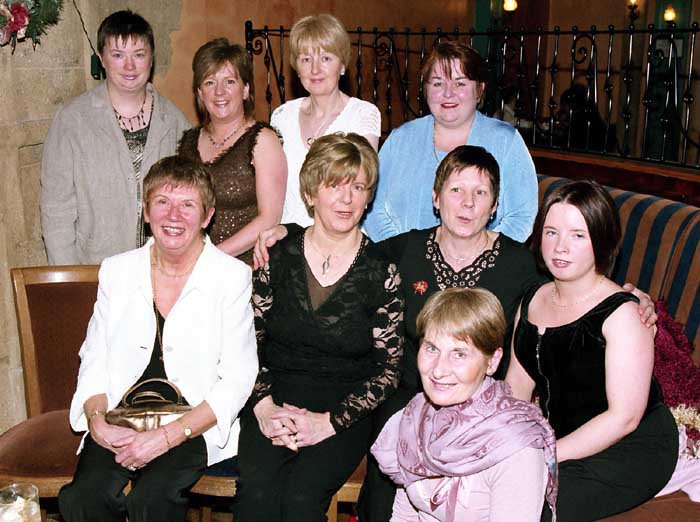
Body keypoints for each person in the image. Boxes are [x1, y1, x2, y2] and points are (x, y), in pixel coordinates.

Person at [253, 146, 659, 522]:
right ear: (435, 197)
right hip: (410, 393)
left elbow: (579, 283)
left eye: (480, 193)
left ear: (495, 206)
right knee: (390, 439)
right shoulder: (401, 252)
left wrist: (632, 294)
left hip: (483, 402)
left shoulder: (523, 267)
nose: (467, 203)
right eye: (456, 189)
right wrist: (286, 231)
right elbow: (345, 246)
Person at [58, 156, 258, 522]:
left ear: (208, 215)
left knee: (151, 501)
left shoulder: (231, 278)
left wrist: (169, 436)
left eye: (187, 204)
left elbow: (238, 379)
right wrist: (97, 421)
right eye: (162, 202)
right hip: (119, 417)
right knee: (83, 499)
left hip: (192, 422)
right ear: (147, 211)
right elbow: (94, 357)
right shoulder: (117, 271)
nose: (174, 215)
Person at [233, 133, 404, 522]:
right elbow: (247, 343)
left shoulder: (382, 270)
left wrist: (328, 423)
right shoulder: (277, 254)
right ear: (311, 193)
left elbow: (389, 370)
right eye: (334, 185)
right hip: (271, 398)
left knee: (300, 502)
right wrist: (262, 408)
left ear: (368, 197)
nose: (346, 199)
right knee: (256, 498)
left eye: (358, 187)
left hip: (344, 409)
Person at [506, 180, 679, 521]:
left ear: (601, 241)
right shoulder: (532, 300)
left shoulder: (623, 314)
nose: (561, 247)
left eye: (578, 235)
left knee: (529, 506)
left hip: (632, 446)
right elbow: (515, 392)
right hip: (562, 436)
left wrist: (544, 453)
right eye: (552, 232)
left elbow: (624, 418)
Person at [371, 288, 558, 521]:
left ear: (493, 361)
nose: (438, 370)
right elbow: (404, 516)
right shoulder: (414, 418)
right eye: (432, 348)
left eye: (459, 354)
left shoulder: (514, 446)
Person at [41, 10, 191, 265]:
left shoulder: (176, 122)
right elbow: (56, 212)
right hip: (96, 270)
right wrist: (71, 279)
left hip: (162, 269)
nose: (130, 66)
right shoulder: (72, 121)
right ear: (102, 58)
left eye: (139, 55)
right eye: (118, 55)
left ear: (151, 59)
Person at [363, 40, 537, 243]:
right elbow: (372, 209)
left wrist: (483, 257)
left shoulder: (506, 142)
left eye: (460, 83)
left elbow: (521, 217)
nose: (448, 93)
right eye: (437, 83)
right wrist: (403, 253)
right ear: (426, 89)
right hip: (404, 265)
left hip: (485, 268)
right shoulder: (401, 139)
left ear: (479, 90)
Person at [177, 38, 287, 264]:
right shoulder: (188, 142)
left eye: (229, 81)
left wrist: (211, 259)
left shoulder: (262, 140)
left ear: (245, 89)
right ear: (199, 92)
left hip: (246, 269)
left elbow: (270, 217)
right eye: (209, 83)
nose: (219, 92)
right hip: (191, 266)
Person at [271, 13, 381, 227]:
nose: (315, 69)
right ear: (297, 68)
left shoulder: (363, 115)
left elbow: (359, 186)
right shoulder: (282, 116)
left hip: (339, 237)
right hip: (287, 238)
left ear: (342, 65)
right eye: (306, 59)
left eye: (326, 58)